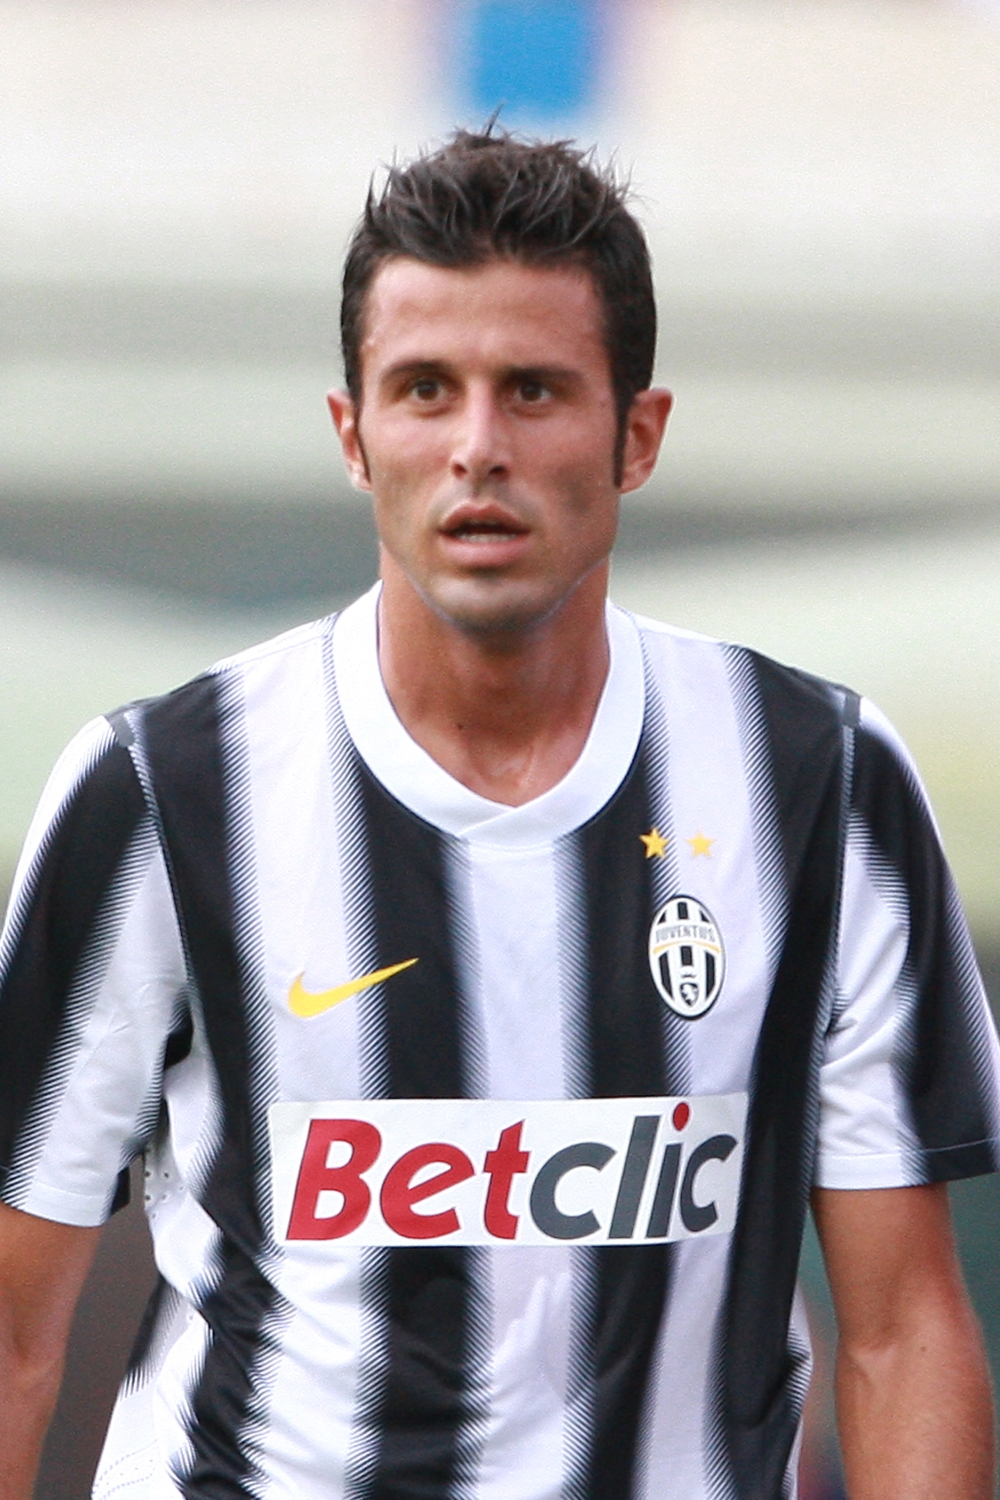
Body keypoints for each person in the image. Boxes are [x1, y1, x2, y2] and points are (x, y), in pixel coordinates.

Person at [0, 127, 997, 1500]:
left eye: (533, 391)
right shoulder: (162, 793)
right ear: (354, 436)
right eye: (426, 390)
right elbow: (13, 1329)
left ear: (637, 435)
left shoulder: (819, 780)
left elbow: (899, 1332)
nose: (477, 448)